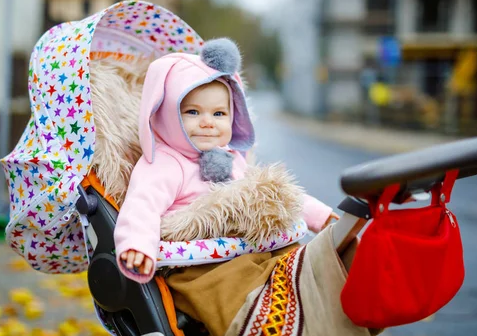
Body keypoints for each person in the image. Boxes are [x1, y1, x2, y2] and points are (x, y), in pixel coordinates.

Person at [113, 38, 339, 283]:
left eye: (219, 113)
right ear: (166, 114)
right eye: (192, 112)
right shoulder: (164, 164)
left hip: (241, 255)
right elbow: (141, 207)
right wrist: (137, 246)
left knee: (293, 267)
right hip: (195, 269)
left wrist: (319, 215)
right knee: (244, 287)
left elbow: (264, 194)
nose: (208, 121)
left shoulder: (231, 159)